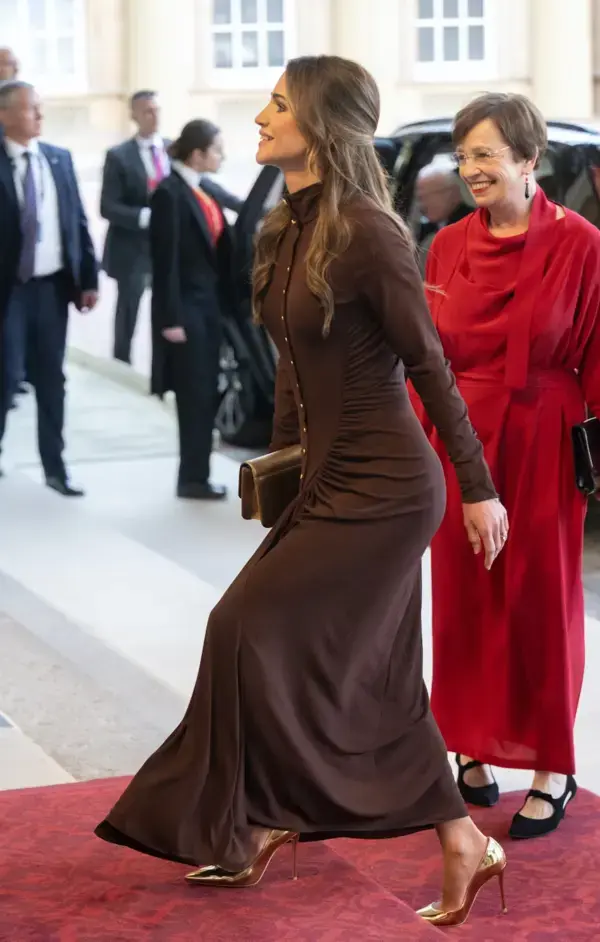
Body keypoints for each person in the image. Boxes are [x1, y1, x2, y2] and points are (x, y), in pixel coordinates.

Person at [95, 57, 509, 928]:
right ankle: (430, 835)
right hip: (328, 480)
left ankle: (265, 816)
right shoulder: (290, 225)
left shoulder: (368, 230)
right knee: (359, 673)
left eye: (278, 105)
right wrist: (282, 470)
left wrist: (478, 490)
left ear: (320, 124)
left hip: (390, 488)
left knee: (244, 627)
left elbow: (427, 365)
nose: (258, 117)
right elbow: (293, 367)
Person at [416, 92, 600, 840]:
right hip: (461, 440)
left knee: (537, 600)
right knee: (462, 600)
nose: (471, 170)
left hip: (545, 440)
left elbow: (595, 359)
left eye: (486, 154)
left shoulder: (583, 244)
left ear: (530, 159)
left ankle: (552, 767)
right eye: (464, 157)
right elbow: (427, 360)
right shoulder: (446, 245)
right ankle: (470, 748)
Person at [0, 81, 98, 494]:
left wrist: (87, 279)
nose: (39, 116)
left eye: (40, 108)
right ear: (4, 115)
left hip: (52, 290)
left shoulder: (58, 159)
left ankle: (55, 468)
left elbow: (77, 221)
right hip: (10, 292)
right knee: (5, 379)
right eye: (30, 109)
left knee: (51, 379)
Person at [147, 119, 233, 501]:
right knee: (194, 397)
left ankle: (198, 472)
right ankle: (192, 477)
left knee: (205, 393)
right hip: (186, 315)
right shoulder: (170, 193)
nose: (222, 156)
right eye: (216, 149)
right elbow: (165, 262)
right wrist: (170, 320)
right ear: (197, 154)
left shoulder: (202, 189)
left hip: (208, 310)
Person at [100, 90, 170, 364]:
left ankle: (164, 367)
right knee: (128, 310)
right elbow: (107, 206)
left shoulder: (172, 149)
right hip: (133, 249)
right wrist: (145, 217)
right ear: (134, 115)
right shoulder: (119, 156)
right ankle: (121, 362)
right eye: (147, 111)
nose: (153, 117)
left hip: (166, 247)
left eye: (157, 110)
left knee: (167, 309)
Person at [415, 163, 471, 275]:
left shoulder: (472, 226)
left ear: (452, 193)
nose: (423, 205)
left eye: (428, 196)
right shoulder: (428, 230)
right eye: (420, 198)